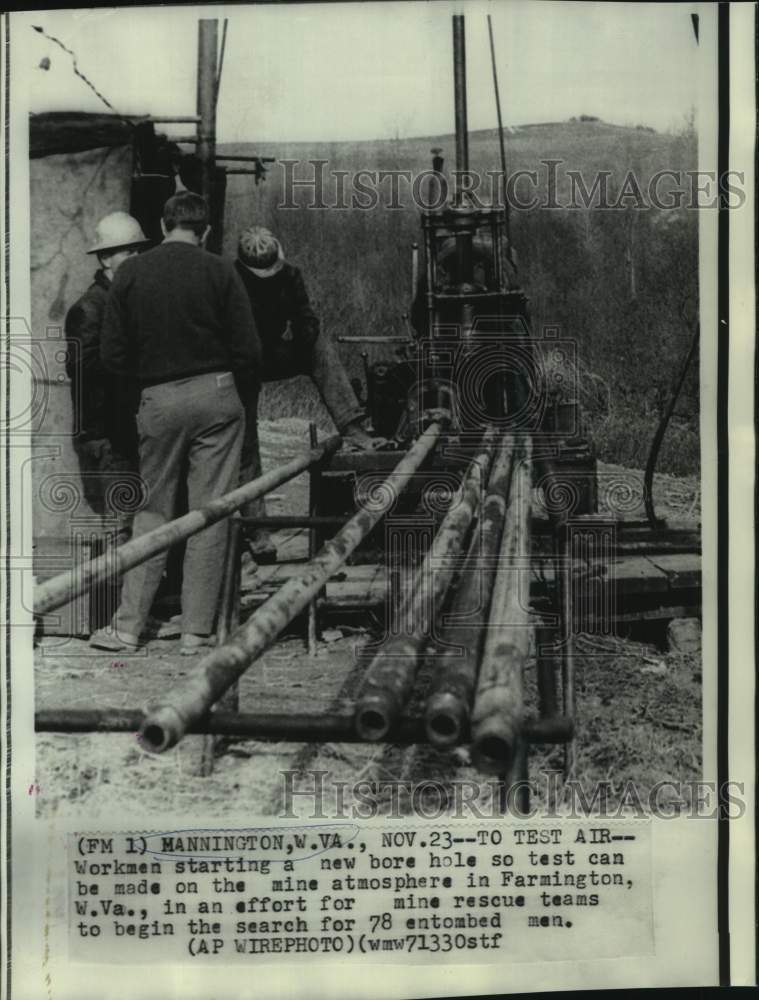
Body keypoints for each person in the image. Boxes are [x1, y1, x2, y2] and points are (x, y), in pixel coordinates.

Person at [90, 192, 261, 654]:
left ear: (163, 227)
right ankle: (195, 632)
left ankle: (127, 629)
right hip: (217, 396)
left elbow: (111, 356)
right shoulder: (222, 270)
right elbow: (249, 351)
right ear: (204, 230)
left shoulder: (129, 274)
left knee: (152, 514)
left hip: (157, 400)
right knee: (211, 513)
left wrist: (149, 391)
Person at [234, 226, 381, 562]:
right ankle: (259, 532)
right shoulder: (231, 281)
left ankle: (352, 425)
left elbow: (305, 316)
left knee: (317, 346)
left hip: (272, 352)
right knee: (247, 447)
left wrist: (304, 335)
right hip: (241, 362)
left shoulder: (290, 276)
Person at [65, 212, 151, 541]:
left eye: (138, 250)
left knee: (133, 524)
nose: (136, 258)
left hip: (124, 431)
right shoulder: (89, 308)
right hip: (106, 433)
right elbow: (83, 369)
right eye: (128, 251)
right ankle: (114, 592)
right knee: (119, 528)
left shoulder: (122, 300)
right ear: (105, 257)